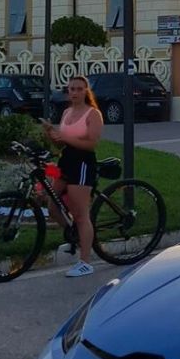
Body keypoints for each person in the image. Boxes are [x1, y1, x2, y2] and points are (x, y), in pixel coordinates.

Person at [41, 75, 103, 278]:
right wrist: (51, 134)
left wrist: (65, 137)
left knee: (80, 213)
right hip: (65, 160)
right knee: (52, 205)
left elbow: (91, 144)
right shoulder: (67, 112)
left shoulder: (93, 114)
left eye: (78, 89)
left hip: (83, 163)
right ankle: (74, 235)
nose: (74, 92)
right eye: (71, 89)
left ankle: (85, 261)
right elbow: (61, 144)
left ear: (86, 91)